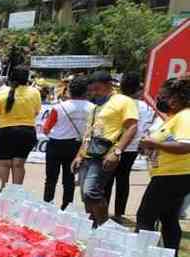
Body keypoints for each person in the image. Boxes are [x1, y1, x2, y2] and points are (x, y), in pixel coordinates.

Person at [71, 71, 139, 227]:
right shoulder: (96, 107)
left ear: (109, 85)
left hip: (105, 154)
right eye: (92, 90)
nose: (94, 93)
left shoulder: (124, 101)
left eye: (97, 89)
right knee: (85, 195)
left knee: (91, 191)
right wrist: (79, 155)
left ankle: (104, 227)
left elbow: (132, 127)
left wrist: (117, 151)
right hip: (88, 154)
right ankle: (93, 226)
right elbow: (89, 132)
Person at [136, 77, 190, 257]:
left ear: (176, 98)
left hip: (173, 175)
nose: (161, 100)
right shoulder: (176, 118)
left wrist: (152, 143)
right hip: (171, 174)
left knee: (145, 217)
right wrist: (152, 144)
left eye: (164, 96)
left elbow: (185, 146)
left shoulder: (185, 117)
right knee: (168, 217)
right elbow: (171, 142)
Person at [105, 72, 155, 223]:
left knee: (107, 180)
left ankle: (102, 211)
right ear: (138, 88)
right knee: (123, 179)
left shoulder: (115, 102)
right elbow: (146, 127)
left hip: (113, 146)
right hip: (132, 149)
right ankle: (119, 213)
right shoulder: (146, 107)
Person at [41, 76, 91, 209]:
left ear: (69, 90)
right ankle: (66, 206)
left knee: (51, 178)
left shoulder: (59, 108)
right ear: (86, 91)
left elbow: (46, 129)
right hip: (77, 146)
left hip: (56, 145)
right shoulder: (93, 108)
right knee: (69, 179)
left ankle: (47, 203)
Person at [0, 66, 41, 190]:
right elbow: (36, 112)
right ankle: (16, 195)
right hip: (27, 132)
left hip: (5, 132)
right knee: (18, 164)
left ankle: (2, 193)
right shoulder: (35, 92)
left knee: (3, 164)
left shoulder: (2, 93)